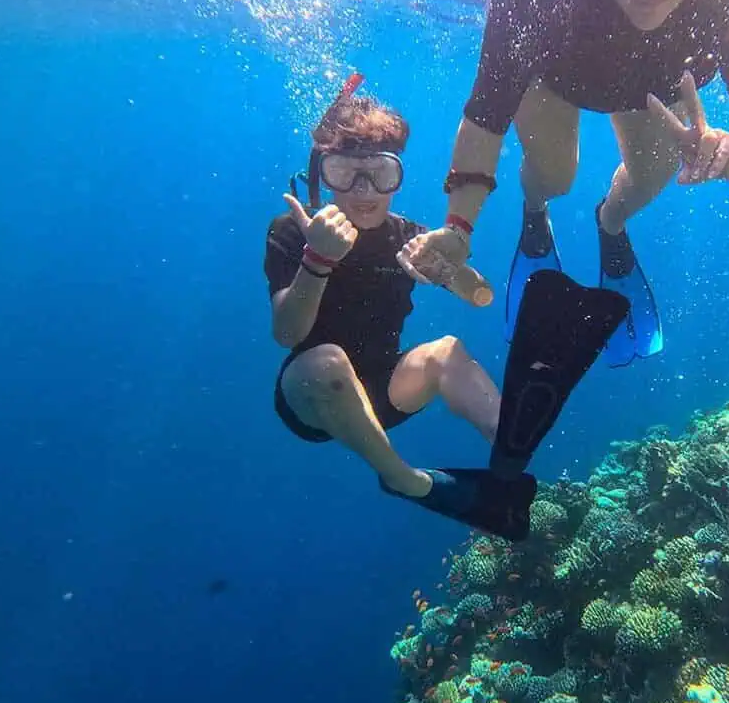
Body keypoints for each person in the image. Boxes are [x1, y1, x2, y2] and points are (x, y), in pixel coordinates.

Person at [397, 0, 729, 366]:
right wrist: (458, 227)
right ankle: (535, 210)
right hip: (556, 77)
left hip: (658, 87)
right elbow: (485, 117)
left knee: (648, 181)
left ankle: (611, 223)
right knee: (554, 176)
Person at [265, 76, 627, 540]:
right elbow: (288, 335)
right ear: (324, 173)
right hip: (311, 396)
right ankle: (405, 479)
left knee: (447, 351)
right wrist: (317, 259)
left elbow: (482, 297)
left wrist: (452, 271)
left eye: (380, 173)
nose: (363, 190)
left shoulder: (407, 236)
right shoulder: (295, 230)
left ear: (398, 177)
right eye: (344, 173)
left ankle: (509, 449)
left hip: (385, 389)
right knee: (327, 362)